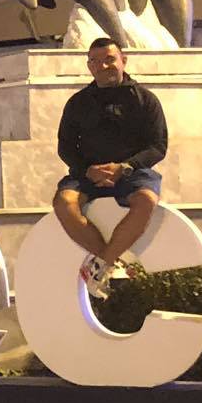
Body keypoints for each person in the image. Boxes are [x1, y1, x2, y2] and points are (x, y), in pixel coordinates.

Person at [55, 37, 167, 298]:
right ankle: (110, 263)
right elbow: (65, 147)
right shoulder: (77, 103)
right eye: (95, 61)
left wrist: (125, 167)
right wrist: (87, 170)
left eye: (109, 59)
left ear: (123, 60)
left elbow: (158, 146)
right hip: (87, 174)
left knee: (147, 200)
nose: (103, 66)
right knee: (64, 203)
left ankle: (101, 263)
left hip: (132, 173)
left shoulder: (145, 100)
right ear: (89, 66)